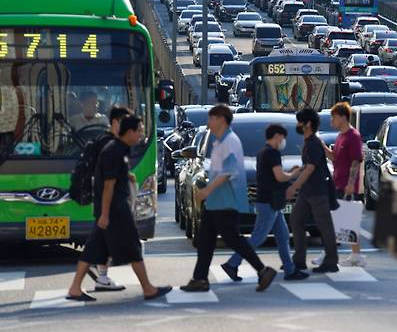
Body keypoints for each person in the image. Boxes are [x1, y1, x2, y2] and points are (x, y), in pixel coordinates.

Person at [67, 115, 172, 302]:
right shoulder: (114, 151)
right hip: (115, 210)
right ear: (129, 132)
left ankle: (75, 288)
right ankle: (148, 288)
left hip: (110, 209)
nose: (141, 134)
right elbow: (109, 185)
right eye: (139, 130)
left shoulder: (118, 149)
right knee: (133, 247)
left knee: (93, 249)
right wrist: (106, 214)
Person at [181, 104, 277, 292]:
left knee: (233, 238)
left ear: (222, 120)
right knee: (205, 240)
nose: (209, 123)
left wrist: (208, 190)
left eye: (212, 118)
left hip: (227, 199)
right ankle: (200, 278)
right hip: (217, 200)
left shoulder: (230, 141)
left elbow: (229, 171)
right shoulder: (219, 141)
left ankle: (262, 270)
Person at [221, 124, 309, 281]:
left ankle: (290, 270)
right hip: (269, 202)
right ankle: (232, 263)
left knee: (282, 236)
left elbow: (274, 176)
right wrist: (294, 174)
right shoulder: (273, 153)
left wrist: (289, 174)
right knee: (258, 237)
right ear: (276, 136)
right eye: (282, 137)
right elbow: (279, 177)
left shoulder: (262, 153)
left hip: (270, 201)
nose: (283, 141)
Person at [83, 105, 133, 292]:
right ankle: (88, 272)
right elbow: (108, 180)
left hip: (107, 201)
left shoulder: (107, 140)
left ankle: (97, 276)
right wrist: (105, 211)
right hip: (108, 202)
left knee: (100, 242)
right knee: (120, 243)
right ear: (115, 123)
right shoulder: (110, 144)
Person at [286, 108, 339, 273]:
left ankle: (331, 261)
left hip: (317, 191)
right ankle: (299, 260)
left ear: (307, 124)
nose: (298, 125)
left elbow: (311, 168)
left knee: (324, 226)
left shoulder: (313, 143)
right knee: (296, 220)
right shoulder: (311, 142)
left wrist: (294, 186)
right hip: (308, 192)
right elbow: (309, 167)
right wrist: (298, 171)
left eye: (300, 121)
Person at [320, 102, 365, 267]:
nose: (331, 120)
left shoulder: (353, 136)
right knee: (346, 220)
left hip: (346, 184)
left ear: (343, 117)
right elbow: (335, 158)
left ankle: (329, 253)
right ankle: (356, 255)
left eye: (334, 117)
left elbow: (355, 161)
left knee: (339, 219)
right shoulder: (340, 136)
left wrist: (351, 183)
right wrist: (323, 147)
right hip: (337, 182)